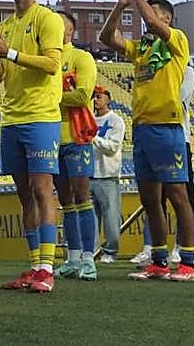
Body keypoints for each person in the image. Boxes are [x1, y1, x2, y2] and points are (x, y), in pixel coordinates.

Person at [99, 0, 194, 282]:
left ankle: (188, 262)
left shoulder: (177, 40)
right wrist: (120, 5)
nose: (147, 20)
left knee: (178, 195)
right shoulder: (142, 48)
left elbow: (154, 24)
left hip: (167, 127)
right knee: (150, 199)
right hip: (142, 128)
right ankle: (158, 259)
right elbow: (106, 38)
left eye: (154, 12)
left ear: (168, 17)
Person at [0, 0, 64, 294]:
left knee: (42, 189)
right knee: (24, 195)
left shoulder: (48, 19)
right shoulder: (4, 26)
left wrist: (11, 53)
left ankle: (47, 268)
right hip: (12, 117)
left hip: (41, 115)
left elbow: (52, 64)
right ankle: (33, 266)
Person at [53, 11, 99, 281]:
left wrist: (49, 95)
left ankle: (88, 260)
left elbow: (83, 94)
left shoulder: (81, 58)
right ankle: (72, 258)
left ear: (69, 31)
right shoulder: (46, 59)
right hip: (50, 138)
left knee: (82, 197)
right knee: (66, 201)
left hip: (77, 137)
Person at [89, 88, 126, 264]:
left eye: (99, 97)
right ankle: (92, 252)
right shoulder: (87, 119)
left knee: (111, 218)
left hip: (107, 175)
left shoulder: (116, 121)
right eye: (94, 97)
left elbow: (112, 148)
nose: (96, 100)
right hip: (88, 174)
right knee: (90, 219)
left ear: (108, 100)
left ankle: (110, 251)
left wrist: (93, 138)